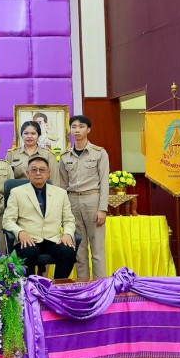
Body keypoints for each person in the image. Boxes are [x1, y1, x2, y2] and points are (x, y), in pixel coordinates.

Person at [3, 156, 77, 279]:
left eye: (42, 170)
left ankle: (56, 287)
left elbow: (69, 220)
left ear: (48, 173)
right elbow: (7, 220)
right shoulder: (16, 192)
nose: (38, 173)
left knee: (68, 252)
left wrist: (68, 234)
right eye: (34, 170)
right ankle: (31, 286)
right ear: (28, 173)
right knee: (29, 252)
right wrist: (20, 232)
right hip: (28, 239)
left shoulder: (61, 193)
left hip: (53, 239)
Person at [59, 115, 109, 279]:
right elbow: (62, 186)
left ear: (88, 130)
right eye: (74, 127)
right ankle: (83, 285)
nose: (77, 130)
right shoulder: (65, 157)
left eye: (81, 126)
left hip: (92, 200)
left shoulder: (99, 153)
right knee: (78, 248)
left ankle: (101, 285)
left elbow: (104, 182)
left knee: (97, 248)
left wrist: (102, 209)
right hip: (72, 201)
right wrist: (63, 210)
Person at [6, 121, 62, 187]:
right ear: (21, 135)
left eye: (33, 133)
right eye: (26, 133)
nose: (29, 136)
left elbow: (54, 181)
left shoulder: (48, 155)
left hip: (42, 192)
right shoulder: (12, 154)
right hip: (18, 192)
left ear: (39, 135)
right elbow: (7, 181)